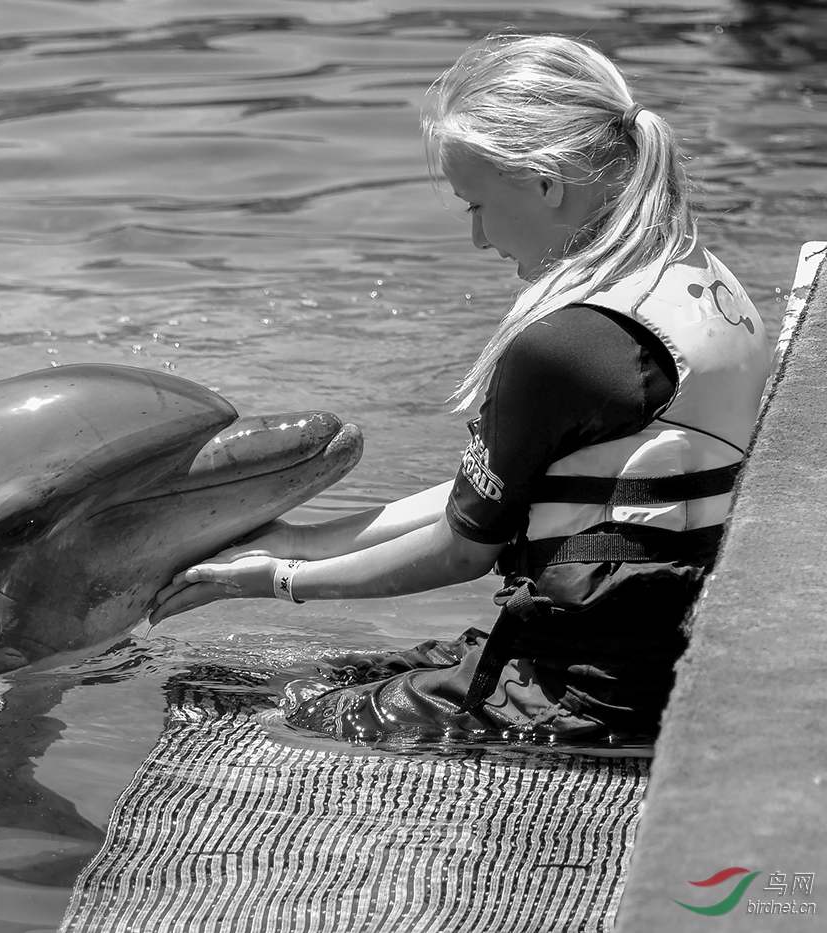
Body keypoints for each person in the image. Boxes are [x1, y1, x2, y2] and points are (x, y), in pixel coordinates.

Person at [150, 34, 773, 744]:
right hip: (653, 657)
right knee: (329, 677)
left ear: (545, 183)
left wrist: (275, 580)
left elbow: (461, 550)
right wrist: (300, 538)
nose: (478, 237)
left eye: (475, 204)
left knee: (238, 707)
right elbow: (483, 499)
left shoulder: (569, 345)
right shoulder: (698, 280)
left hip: (576, 698)